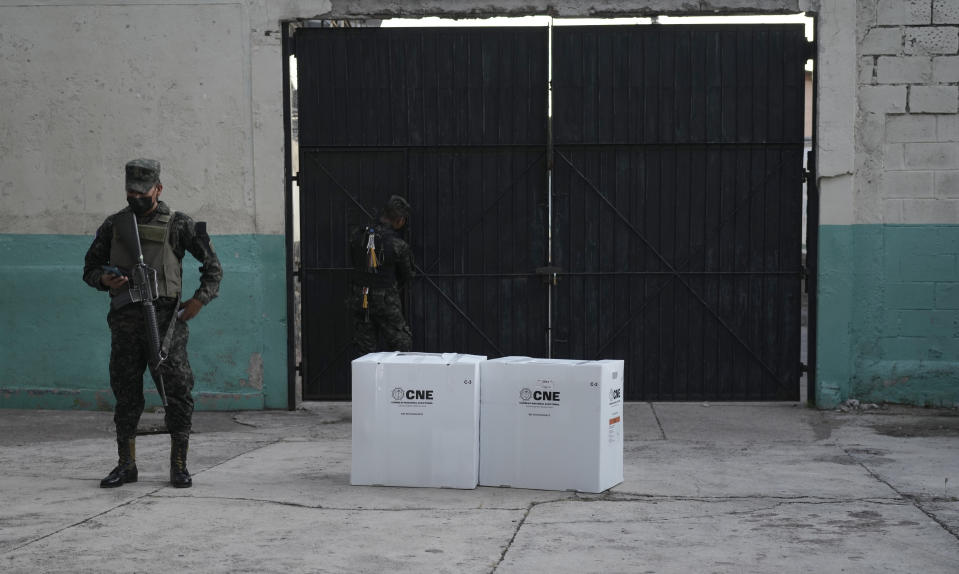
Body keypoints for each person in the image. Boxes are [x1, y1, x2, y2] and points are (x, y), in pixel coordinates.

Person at [83, 158, 223, 489]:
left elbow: (213, 267)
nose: (136, 198)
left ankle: (179, 465)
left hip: (166, 323)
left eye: (142, 192)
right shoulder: (115, 224)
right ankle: (126, 465)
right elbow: (89, 268)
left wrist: (199, 300)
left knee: (177, 391)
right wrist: (105, 279)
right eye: (130, 192)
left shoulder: (179, 224)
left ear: (158, 189)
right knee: (126, 394)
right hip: (125, 323)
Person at [349, 195, 414, 355]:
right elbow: (408, 274)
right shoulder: (398, 245)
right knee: (402, 344)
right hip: (386, 301)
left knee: (364, 350)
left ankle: (366, 379)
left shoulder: (358, 235)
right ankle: (397, 379)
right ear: (399, 220)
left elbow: (354, 260)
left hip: (361, 298)